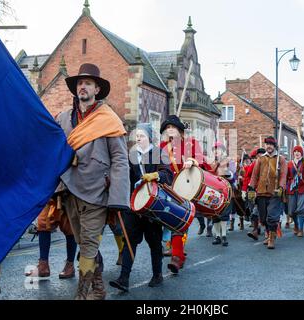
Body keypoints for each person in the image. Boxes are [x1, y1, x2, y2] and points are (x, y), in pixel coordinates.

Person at [56, 63, 130, 300]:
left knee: (87, 245)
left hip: (97, 191)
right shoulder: (64, 118)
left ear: (97, 89)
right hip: (70, 190)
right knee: (84, 243)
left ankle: (81, 295)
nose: (83, 87)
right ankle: (98, 289)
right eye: (79, 83)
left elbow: (120, 159)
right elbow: (54, 152)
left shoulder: (109, 118)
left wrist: (118, 197)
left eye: (88, 83)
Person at [109, 123, 173, 292]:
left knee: (154, 241)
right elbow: (125, 178)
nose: (138, 138)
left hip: (153, 205)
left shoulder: (159, 153)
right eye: (137, 135)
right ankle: (124, 278)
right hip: (134, 204)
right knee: (129, 240)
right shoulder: (131, 155)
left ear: (149, 137)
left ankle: (157, 274)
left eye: (142, 135)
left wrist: (156, 175)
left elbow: (168, 175)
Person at [159, 115, 213, 273]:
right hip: (168, 188)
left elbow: (200, 160)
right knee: (169, 221)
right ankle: (175, 250)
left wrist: (192, 161)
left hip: (187, 188)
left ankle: (177, 256)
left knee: (179, 221)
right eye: (167, 128)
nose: (170, 130)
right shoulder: (162, 146)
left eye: (173, 128)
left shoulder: (191, 144)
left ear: (180, 132)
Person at [248, 136, 287, 249]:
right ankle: (269, 233)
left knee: (272, 217)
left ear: (274, 146)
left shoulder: (281, 159)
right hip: (261, 192)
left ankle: (271, 239)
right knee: (264, 218)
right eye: (267, 144)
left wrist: (281, 187)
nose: (269, 146)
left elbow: (284, 175)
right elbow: (254, 175)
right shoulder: (260, 159)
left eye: (271, 144)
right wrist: (251, 188)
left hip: (275, 193)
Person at [286, 145, 304, 237]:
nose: (297, 153)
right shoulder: (289, 164)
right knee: (291, 211)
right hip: (291, 189)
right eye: (295, 151)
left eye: (298, 151)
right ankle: (296, 224)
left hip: (302, 189)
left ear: (301, 153)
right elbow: (286, 176)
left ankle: (301, 229)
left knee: (301, 210)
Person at [210, 141, 236, 246]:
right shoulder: (211, 162)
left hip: (226, 190)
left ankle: (224, 235)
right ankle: (217, 236)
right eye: (214, 149)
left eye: (218, 149)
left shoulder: (229, 161)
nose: (216, 151)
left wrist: (227, 173)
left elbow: (233, 177)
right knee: (214, 214)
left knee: (225, 214)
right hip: (213, 191)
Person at [245, 148, 266, 241]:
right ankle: (255, 231)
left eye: (262, 154)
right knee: (254, 212)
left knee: (266, 213)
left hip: (267, 191)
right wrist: (247, 188)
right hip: (256, 191)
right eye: (258, 155)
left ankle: (268, 232)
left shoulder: (269, 163)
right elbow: (248, 175)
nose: (260, 157)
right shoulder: (254, 164)